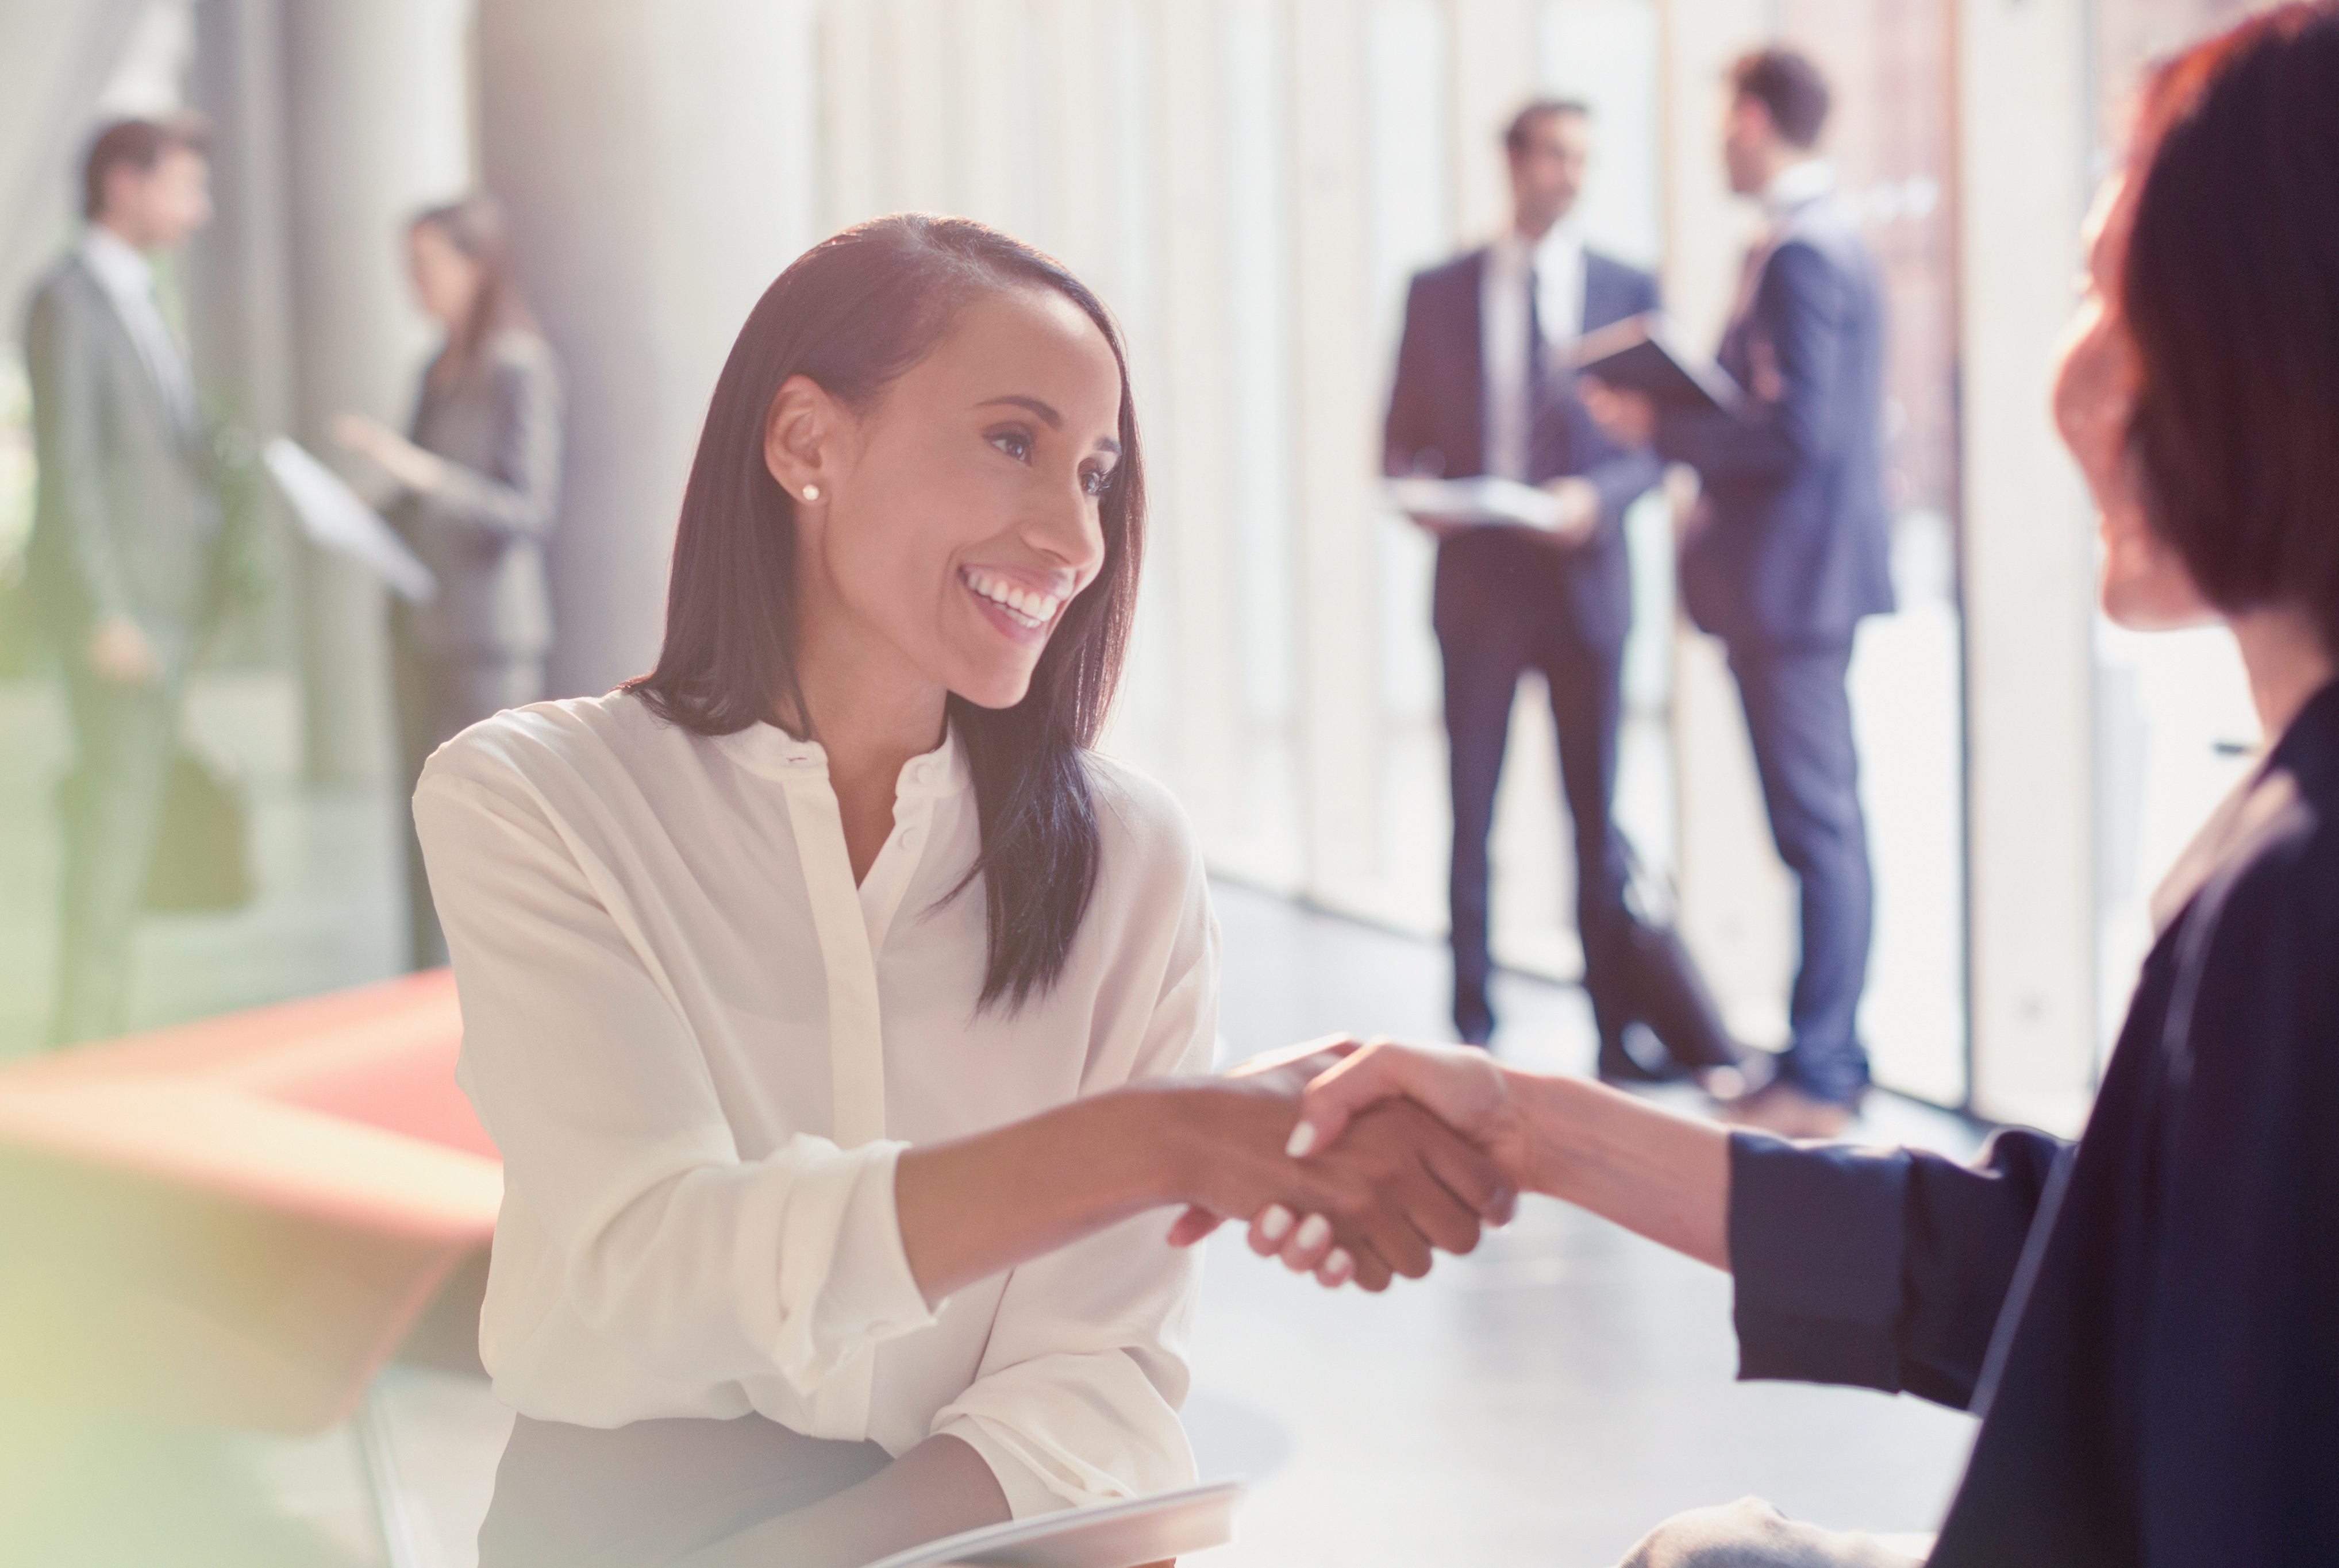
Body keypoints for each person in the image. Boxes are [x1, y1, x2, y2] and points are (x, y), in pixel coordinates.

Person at [1267, 9, 2339, 1561]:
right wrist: (1533, 1130)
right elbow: (2066, 1265)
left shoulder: (2291, 896)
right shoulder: (2280, 850)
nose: (2067, 380)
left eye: (2113, 294)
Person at [416, 215, 1511, 1568]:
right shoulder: (537, 798)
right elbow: (644, 1265)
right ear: (806, 443)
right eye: (1014, 443)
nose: (1073, 535)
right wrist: (1145, 1144)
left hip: (971, 1542)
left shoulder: (1132, 861)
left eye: (1097, 474)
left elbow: (1097, 1378)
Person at [1384, 100, 1737, 1081]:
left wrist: (1600, 494)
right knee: (1471, 808)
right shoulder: (1438, 289)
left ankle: (1612, 1031)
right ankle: (1471, 1024)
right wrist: (1423, 499)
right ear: (1512, 163)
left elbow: (1653, 445)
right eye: (1554, 155)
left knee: (1595, 813)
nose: (1570, 175)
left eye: (1584, 158)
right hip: (1478, 579)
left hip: (1584, 583)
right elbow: (1396, 438)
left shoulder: (1627, 285)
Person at [1585, 49, 1891, 1136]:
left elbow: (1794, 431)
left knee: (1820, 829)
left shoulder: (1804, 252)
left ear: (1755, 119)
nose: (1717, 140)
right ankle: (1813, 1057)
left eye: (1724, 121)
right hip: (1788, 588)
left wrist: (1656, 426)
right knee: (1813, 828)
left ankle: (1823, 1071)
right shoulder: (1806, 244)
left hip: (1791, 590)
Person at [24, 117, 225, 1046]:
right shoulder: (70, 299)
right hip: (124, 615)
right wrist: (105, 609)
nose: (200, 210)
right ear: (121, 184)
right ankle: (84, 1044)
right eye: (183, 187)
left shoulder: (143, 295)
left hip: (168, 607)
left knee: (130, 824)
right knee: (110, 829)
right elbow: (71, 472)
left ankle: (102, 1032)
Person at [334, 195, 563, 971]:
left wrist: (420, 473)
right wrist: (370, 504)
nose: (412, 283)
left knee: (487, 828)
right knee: (421, 823)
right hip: (416, 623)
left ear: (476, 265)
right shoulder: (431, 367)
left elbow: (524, 509)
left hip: (487, 637)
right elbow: (418, 497)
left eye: (426, 264)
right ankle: (423, 987)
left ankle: (493, 994)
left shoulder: (518, 367)